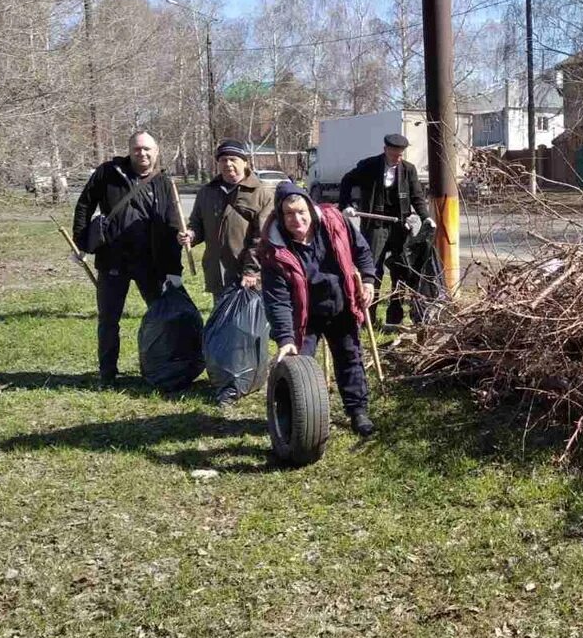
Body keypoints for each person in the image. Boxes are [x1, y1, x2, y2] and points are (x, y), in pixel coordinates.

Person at [258, 182, 378, 437]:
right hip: (303, 315)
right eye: (289, 214)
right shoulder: (273, 250)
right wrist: (285, 338)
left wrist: (367, 279)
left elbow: (362, 250)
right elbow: (277, 300)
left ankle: (358, 411)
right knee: (297, 365)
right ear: (281, 215)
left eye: (301, 211)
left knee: (350, 358)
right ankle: (295, 417)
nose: (297, 219)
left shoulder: (335, 223)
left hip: (341, 305)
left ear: (311, 209)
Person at [73, 131, 182, 388]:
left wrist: (174, 270)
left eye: (147, 149)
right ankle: (107, 375)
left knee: (162, 319)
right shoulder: (107, 173)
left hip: (151, 264)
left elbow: (172, 226)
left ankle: (161, 369)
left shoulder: (164, 182)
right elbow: (84, 205)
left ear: (156, 151)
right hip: (113, 262)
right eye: (137, 149)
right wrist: (82, 243)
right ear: (129, 150)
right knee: (108, 321)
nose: (142, 154)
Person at [336, 132, 433, 326]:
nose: (398, 158)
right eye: (394, 154)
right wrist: (346, 205)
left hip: (399, 225)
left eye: (401, 154)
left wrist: (426, 217)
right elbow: (347, 180)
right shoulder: (369, 166)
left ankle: (394, 316)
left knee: (400, 270)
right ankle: (368, 318)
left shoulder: (408, 170)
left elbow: (417, 197)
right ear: (385, 150)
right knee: (372, 270)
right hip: (375, 226)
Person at [178, 139, 270, 302]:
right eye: (223, 160)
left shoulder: (261, 194)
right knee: (221, 321)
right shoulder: (206, 192)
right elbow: (197, 224)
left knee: (246, 322)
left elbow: (262, 239)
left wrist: (251, 270)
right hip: (217, 272)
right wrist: (191, 235)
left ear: (245, 162)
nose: (228, 164)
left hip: (248, 275)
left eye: (233, 159)